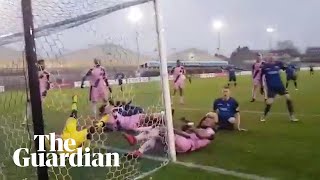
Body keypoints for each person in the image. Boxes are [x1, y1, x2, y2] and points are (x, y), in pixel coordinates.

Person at [122, 112, 217, 158]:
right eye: (206, 118)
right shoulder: (201, 129)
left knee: (161, 129)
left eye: (210, 119)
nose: (207, 119)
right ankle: (139, 152)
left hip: (186, 144)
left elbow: (201, 135)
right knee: (156, 138)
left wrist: (192, 129)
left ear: (215, 122)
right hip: (183, 144)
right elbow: (186, 135)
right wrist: (174, 129)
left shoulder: (211, 131)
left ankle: (135, 139)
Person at [45, 95, 110, 154]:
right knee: (92, 128)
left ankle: (74, 100)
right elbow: (84, 149)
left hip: (68, 132)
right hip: (76, 138)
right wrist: (88, 138)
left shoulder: (54, 143)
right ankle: (105, 118)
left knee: (73, 114)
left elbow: (46, 140)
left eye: (55, 138)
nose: (55, 137)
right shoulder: (68, 150)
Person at [260, 55, 298, 122]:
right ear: (267, 59)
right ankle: (264, 116)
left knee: (288, 98)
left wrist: (292, 71)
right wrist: (261, 86)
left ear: (274, 58)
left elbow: (285, 68)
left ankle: (292, 117)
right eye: (270, 57)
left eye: (272, 57)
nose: (271, 58)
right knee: (269, 103)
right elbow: (261, 76)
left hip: (280, 86)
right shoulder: (265, 67)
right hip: (271, 88)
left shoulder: (278, 64)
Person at [23, 59, 51, 125]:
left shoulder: (47, 74)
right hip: (34, 92)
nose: (43, 65)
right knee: (30, 106)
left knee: (39, 108)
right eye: (41, 64)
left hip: (42, 93)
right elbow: (30, 84)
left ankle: (39, 121)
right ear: (38, 65)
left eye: (43, 64)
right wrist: (29, 94)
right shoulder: (33, 73)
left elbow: (48, 84)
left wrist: (46, 91)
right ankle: (25, 120)